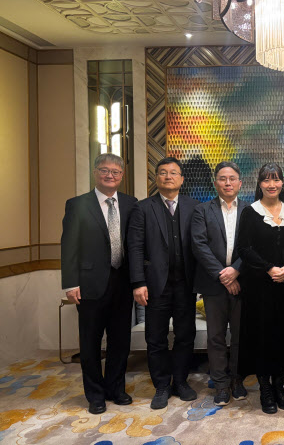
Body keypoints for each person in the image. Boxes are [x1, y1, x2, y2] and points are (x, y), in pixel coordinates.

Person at [61, 153, 138, 415]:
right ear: (95, 172)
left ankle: (116, 389)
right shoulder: (77, 204)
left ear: (122, 175)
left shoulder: (130, 203)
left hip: (122, 282)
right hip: (89, 283)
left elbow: (135, 243)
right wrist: (70, 283)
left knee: (120, 341)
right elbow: (68, 245)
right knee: (90, 342)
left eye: (115, 172)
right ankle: (95, 395)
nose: (110, 175)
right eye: (104, 170)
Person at [127, 157, 200, 409]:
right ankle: (161, 385)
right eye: (163, 173)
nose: (168, 177)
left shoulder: (194, 207)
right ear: (156, 178)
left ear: (182, 179)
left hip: (185, 284)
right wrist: (138, 282)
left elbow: (200, 245)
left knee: (185, 335)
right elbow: (135, 247)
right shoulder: (142, 208)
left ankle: (180, 381)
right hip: (155, 285)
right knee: (155, 337)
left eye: (173, 173)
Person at [236, 163, 284, 414]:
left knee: (282, 335)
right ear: (259, 184)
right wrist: (269, 268)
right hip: (258, 286)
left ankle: (279, 386)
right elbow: (244, 248)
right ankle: (265, 388)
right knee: (262, 337)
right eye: (266, 180)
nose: (271, 184)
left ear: (282, 182)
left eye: (276, 179)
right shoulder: (250, 212)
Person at [191, 161, 250, 406]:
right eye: (223, 178)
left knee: (240, 336)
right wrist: (222, 275)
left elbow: (252, 246)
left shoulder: (250, 210)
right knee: (215, 337)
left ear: (240, 183)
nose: (227, 183)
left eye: (232, 178)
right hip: (213, 284)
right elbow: (199, 245)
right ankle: (221, 385)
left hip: (242, 283)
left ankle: (237, 379)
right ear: (215, 183)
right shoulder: (202, 210)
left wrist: (235, 270)